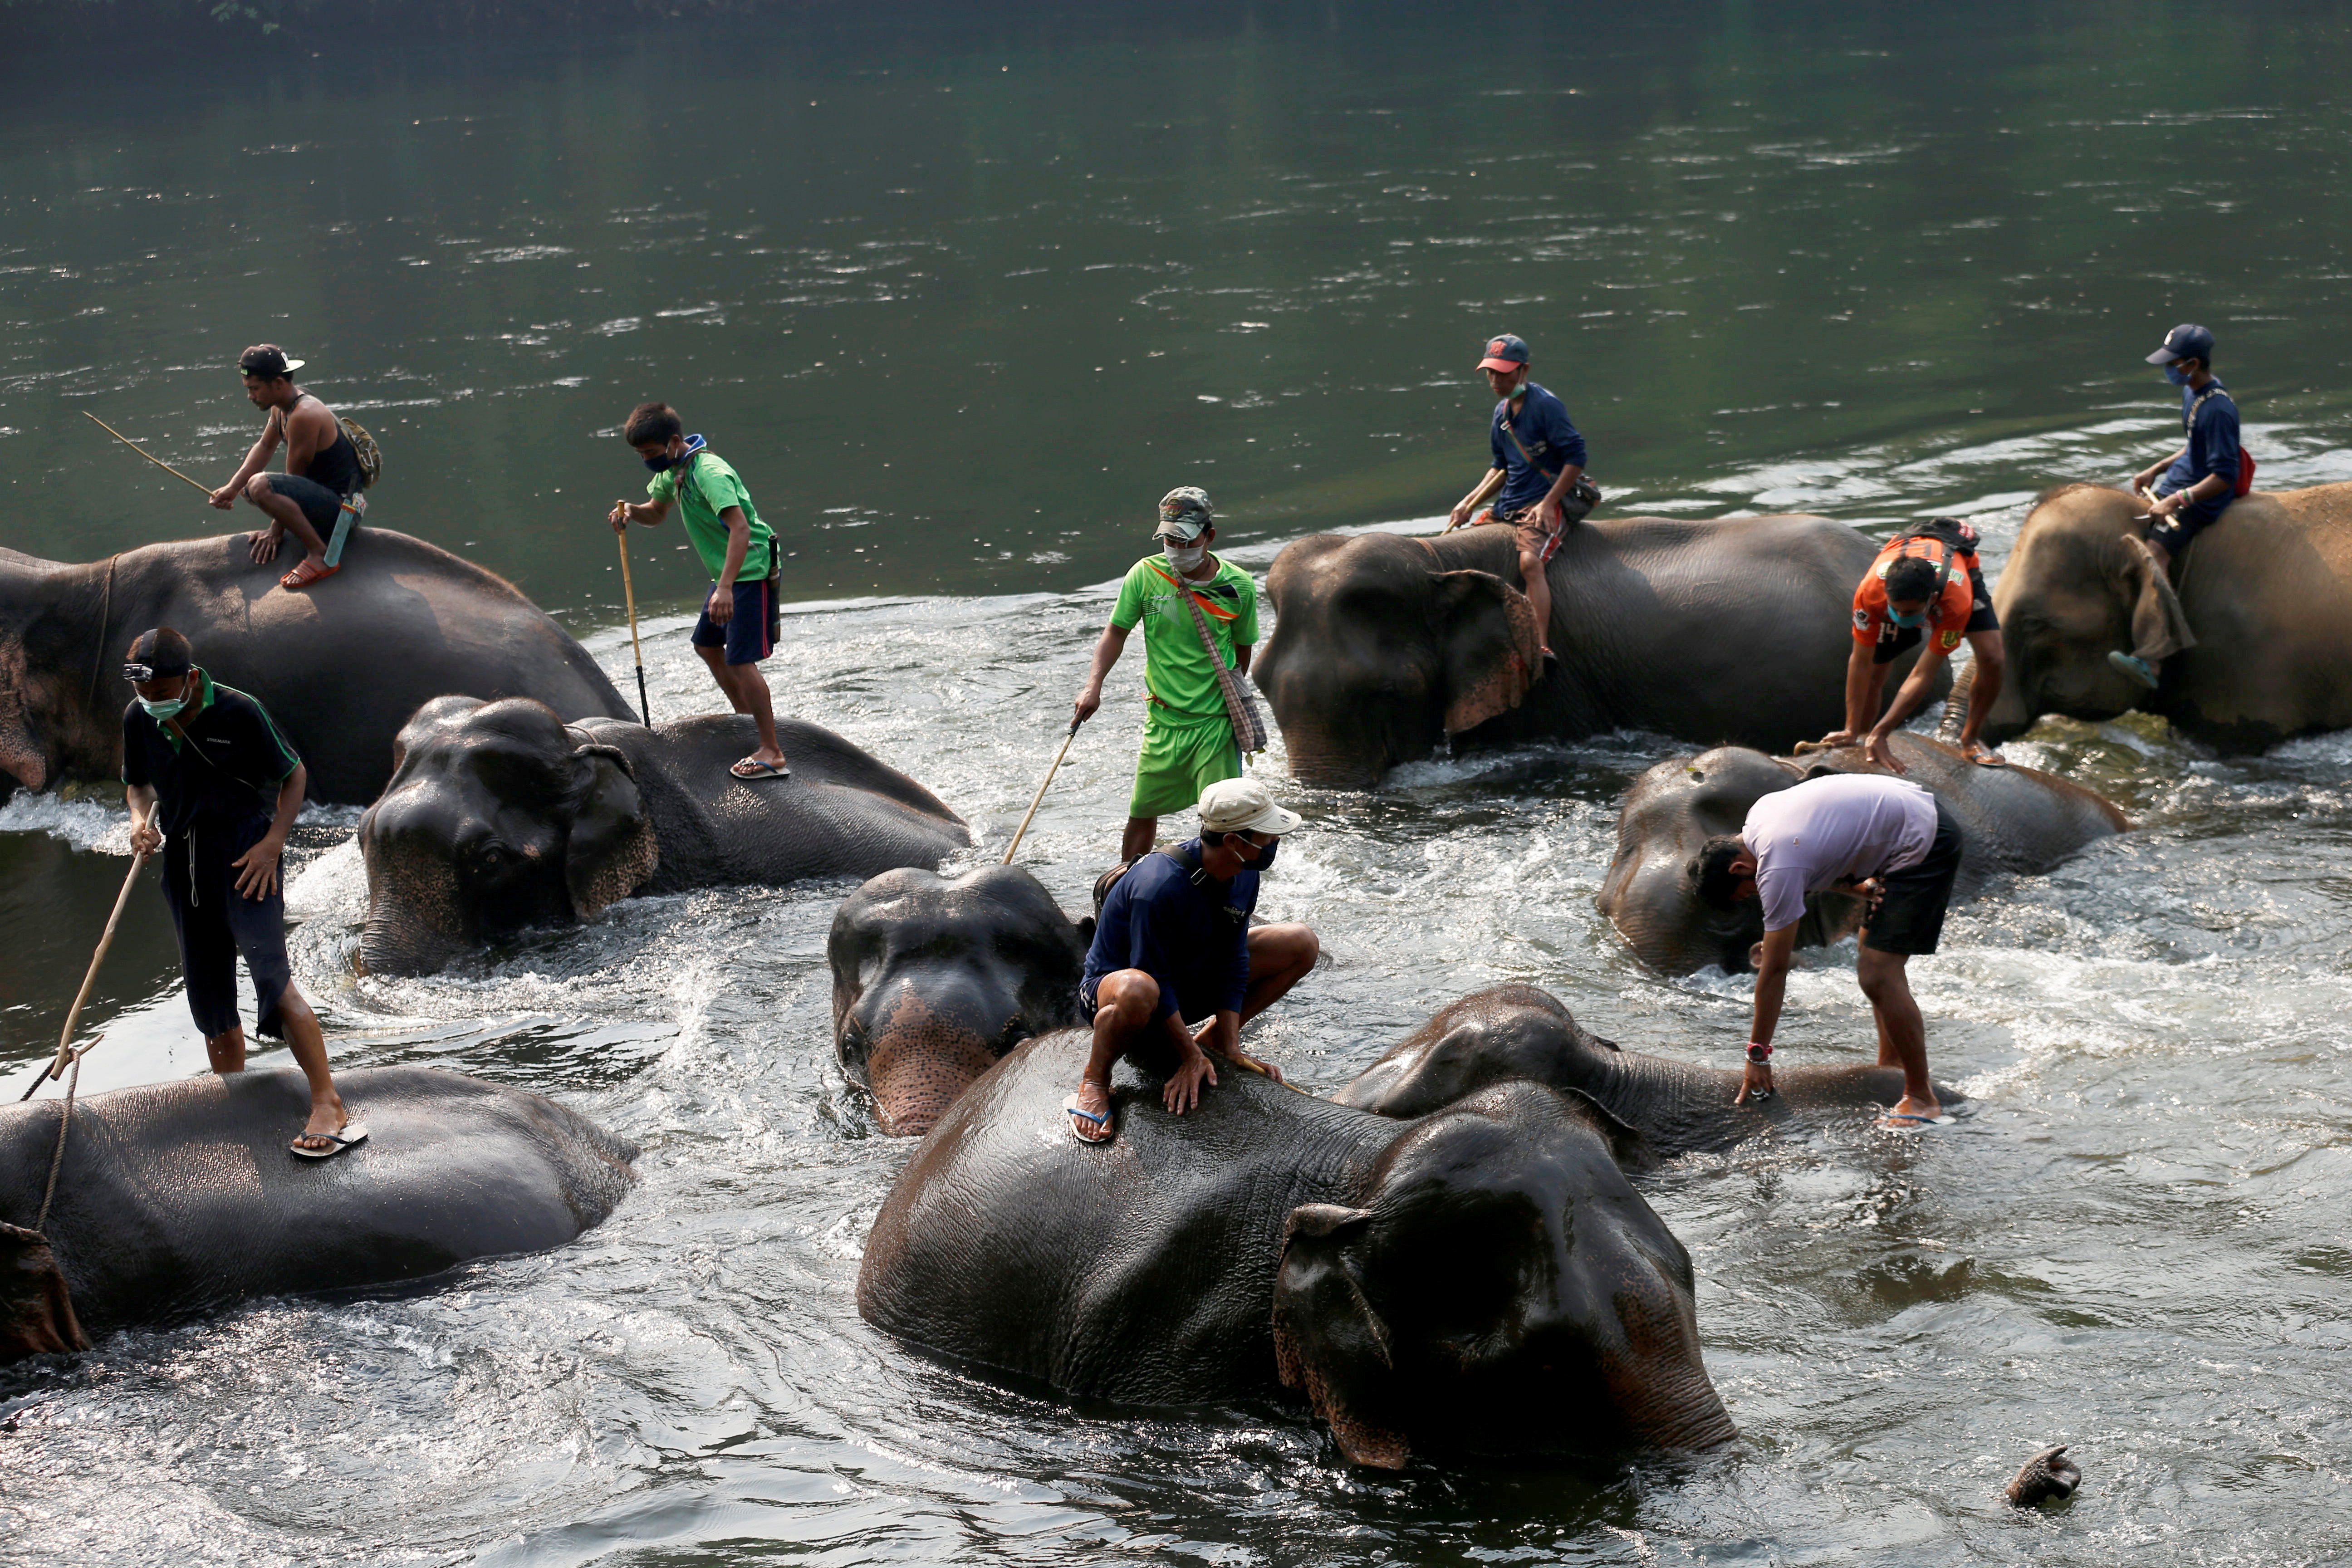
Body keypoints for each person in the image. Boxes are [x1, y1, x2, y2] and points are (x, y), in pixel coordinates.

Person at [119, 627, 361, 1157]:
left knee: (273, 977)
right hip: (184, 864)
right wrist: (140, 822)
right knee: (209, 999)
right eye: (145, 695)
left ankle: (328, 1101)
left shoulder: (238, 710)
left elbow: (294, 775)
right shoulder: (139, 717)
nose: (153, 704)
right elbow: (138, 784)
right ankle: (232, 1099)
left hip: (246, 859)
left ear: (190, 678)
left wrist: (273, 844)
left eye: (162, 694)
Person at [1690, 771, 1962, 1131]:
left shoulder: (1775, 863)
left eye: (1750, 893)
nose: (1758, 896)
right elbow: (1817, 847)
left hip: (1921, 840)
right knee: (1871, 956)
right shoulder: (1759, 820)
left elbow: (1773, 969)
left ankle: (1922, 1098)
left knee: (1878, 974)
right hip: (1911, 813)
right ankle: (1893, 1069)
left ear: (1740, 869)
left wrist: (1757, 1054)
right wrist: (1860, 889)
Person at [1066, 777, 1319, 1143]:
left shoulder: (1243, 872)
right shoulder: (1158, 886)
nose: (1275, 842)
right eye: (1267, 835)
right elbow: (1152, 972)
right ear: (1234, 841)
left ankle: (1213, 1042)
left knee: (1301, 942)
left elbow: (1233, 958)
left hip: (1188, 972)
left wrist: (1230, 1043)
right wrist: (1188, 1056)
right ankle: (1095, 1078)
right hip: (1122, 991)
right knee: (1140, 989)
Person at [1073, 487, 1259, 865]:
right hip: (1163, 721)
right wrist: (1093, 686)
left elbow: (1242, 654)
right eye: (1169, 539)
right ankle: (1124, 886)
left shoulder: (1236, 586)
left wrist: (1227, 700)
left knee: (1221, 819)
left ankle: (1217, 897)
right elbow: (1116, 632)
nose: (1176, 548)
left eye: (1185, 540)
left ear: (1209, 536)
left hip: (1214, 725)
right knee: (1142, 810)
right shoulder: (1146, 575)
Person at [608, 402, 789, 779]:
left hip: (748, 571)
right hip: (727, 574)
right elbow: (656, 513)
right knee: (707, 645)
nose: (646, 460)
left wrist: (725, 588)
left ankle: (772, 751)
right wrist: (630, 513)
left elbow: (740, 529)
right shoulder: (675, 470)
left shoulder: (709, 472)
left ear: (674, 441)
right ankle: (745, 722)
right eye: (641, 455)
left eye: (651, 453)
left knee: (741, 660)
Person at [1443, 333, 1593, 667]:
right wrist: (1468, 502)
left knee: (1529, 564)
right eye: (1491, 372)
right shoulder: (1501, 413)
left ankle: (1539, 645)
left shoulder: (1546, 406)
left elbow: (1576, 458)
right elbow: (1501, 467)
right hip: (1510, 501)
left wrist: (1546, 504)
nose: (1496, 380)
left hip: (1545, 499)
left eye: (1504, 372)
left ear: (1524, 370)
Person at [2112, 323, 2244, 690]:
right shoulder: (2194, 392)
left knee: (2155, 555)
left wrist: (2176, 499)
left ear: (2193, 363)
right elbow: (2195, 445)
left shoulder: (2219, 408)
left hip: (2203, 494)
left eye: (2175, 363)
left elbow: (2224, 474)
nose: (2169, 369)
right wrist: (2157, 469)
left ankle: (2152, 659)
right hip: (2186, 476)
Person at [1818, 520, 2007, 769]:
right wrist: (1850, 728)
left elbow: (1923, 673)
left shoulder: (1955, 602)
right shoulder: (1870, 594)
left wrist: (1884, 730)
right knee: (1876, 671)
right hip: (1906, 568)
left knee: (1993, 658)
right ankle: (1861, 735)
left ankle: (1970, 739)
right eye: (1895, 610)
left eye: (1910, 613)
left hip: (1959, 574)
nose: (1901, 618)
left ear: (1932, 599)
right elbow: (1860, 661)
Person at [209, 345, 366, 591]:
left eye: (255, 389)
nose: (251, 396)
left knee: (260, 486)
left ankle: (319, 555)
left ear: (279, 383)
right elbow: (264, 447)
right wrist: (231, 487)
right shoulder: (282, 406)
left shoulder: (304, 415)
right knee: (247, 488)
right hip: (321, 494)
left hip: (343, 508)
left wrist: (275, 529)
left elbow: (295, 478)